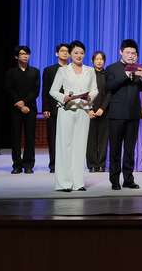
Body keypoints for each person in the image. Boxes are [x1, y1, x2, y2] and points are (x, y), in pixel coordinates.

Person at [50, 40, 98, 192]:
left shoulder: (90, 70)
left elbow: (95, 89)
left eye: (81, 53)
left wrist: (90, 97)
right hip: (67, 110)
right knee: (65, 146)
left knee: (80, 146)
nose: (79, 55)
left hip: (83, 111)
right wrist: (64, 97)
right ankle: (64, 183)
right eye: (76, 52)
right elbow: (53, 91)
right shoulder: (63, 70)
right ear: (70, 54)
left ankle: (78, 183)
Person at [106, 39, 142, 190]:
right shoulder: (112, 68)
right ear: (120, 52)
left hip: (133, 114)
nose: (131, 55)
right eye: (128, 52)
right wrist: (126, 74)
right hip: (116, 115)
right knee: (115, 149)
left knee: (130, 149)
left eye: (134, 53)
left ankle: (128, 179)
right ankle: (114, 180)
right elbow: (109, 86)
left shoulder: (138, 68)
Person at [4, 45, 40, 174]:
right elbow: (9, 89)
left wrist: (24, 103)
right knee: (16, 137)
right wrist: (19, 104)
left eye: (27, 54)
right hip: (16, 109)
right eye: (22, 54)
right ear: (16, 57)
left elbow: (35, 91)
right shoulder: (11, 72)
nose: (25, 56)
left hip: (30, 108)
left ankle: (28, 164)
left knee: (30, 137)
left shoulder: (35, 71)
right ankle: (17, 165)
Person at [41, 43, 69, 172]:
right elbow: (45, 90)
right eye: (62, 51)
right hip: (53, 109)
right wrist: (45, 108)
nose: (65, 53)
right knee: (53, 138)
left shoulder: (73, 69)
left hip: (69, 108)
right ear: (57, 53)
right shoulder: (49, 70)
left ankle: (66, 165)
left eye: (67, 51)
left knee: (67, 139)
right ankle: (54, 165)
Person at [86, 51, 110, 172]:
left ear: (104, 61)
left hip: (104, 111)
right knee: (90, 139)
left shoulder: (108, 75)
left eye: (101, 59)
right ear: (92, 61)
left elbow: (109, 93)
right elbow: (84, 92)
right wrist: (89, 109)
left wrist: (102, 108)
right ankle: (91, 164)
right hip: (89, 111)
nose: (99, 61)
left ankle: (101, 164)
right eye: (97, 59)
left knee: (103, 139)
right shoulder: (87, 74)